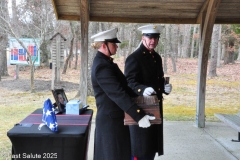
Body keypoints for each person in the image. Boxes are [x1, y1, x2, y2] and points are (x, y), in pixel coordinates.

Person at [91, 28, 155, 160]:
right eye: (114, 44)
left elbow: (125, 86)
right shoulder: (102, 67)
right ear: (104, 45)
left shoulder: (107, 63)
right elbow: (118, 94)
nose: (116, 47)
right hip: (110, 123)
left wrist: (143, 94)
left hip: (116, 120)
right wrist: (139, 116)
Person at [124, 24, 172, 160]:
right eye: (149, 37)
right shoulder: (134, 58)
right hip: (141, 109)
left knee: (151, 147)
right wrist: (142, 89)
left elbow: (158, 79)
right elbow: (129, 82)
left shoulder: (156, 57)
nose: (153, 41)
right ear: (143, 37)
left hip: (155, 107)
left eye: (156, 38)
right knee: (140, 148)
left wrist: (164, 88)